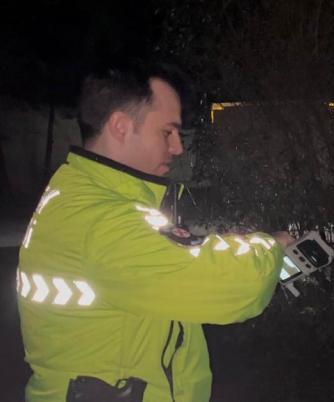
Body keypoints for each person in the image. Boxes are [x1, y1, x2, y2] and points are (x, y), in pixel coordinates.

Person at [16, 63, 294, 402]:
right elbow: (232, 284)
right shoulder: (104, 220)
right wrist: (272, 246)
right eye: (167, 132)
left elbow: (173, 264)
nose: (177, 148)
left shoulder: (79, 195)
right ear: (120, 126)